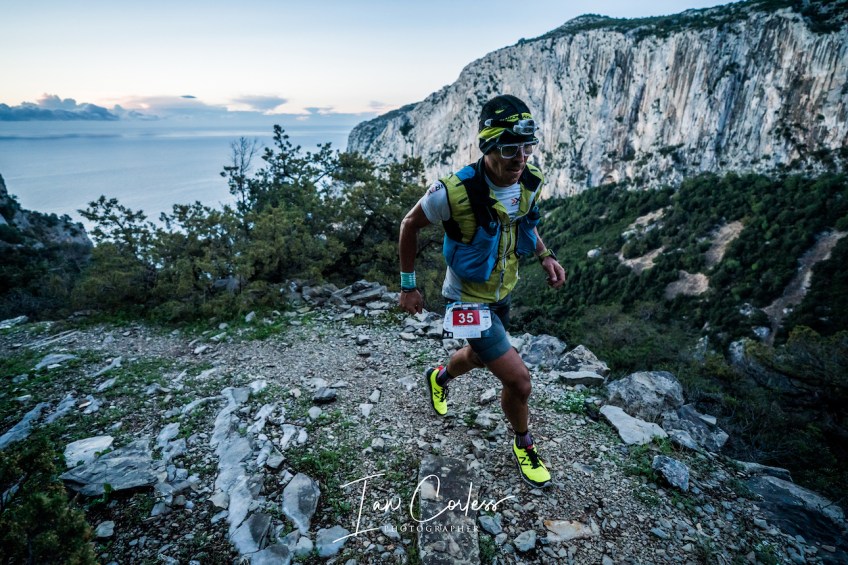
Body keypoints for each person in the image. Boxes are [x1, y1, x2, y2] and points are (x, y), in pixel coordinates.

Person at [397, 94, 566, 488]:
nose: (520, 158)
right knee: (519, 381)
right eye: (509, 149)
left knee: (478, 354)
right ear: (487, 147)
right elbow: (409, 225)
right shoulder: (452, 191)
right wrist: (408, 286)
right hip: (467, 298)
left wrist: (545, 255)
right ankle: (523, 443)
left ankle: (439, 377)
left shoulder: (529, 181)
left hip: (502, 290)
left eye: (526, 147)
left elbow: (526, 223)